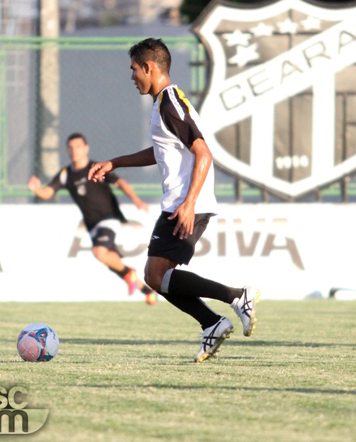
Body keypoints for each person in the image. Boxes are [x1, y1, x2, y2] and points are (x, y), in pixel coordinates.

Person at [88, 37, 259, 363]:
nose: (132, 76)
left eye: (134, 69)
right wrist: (116, 162)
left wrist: (189, 203)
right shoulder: (164, 103)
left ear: (149, 67)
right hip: (182, 201)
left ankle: (237, 298)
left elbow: (203, 153)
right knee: (156, 276)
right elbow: (163, 150)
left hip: (185, 202)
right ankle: (213, 322)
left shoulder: (170, 103)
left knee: (155, 276)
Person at [28, 132, 157, 304]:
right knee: (111, 260)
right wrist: (36, 189)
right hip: (92, 225)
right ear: (67, 150)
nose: (74, 151)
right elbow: (47, 192)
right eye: (71, 148)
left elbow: (120, 182)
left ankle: (130, 274)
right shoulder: (66, 174)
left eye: (78, 147)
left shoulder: (97, 167)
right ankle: (147, 292)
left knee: (100, 253)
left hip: (109, 218)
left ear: (86, 149)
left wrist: (136, 200)